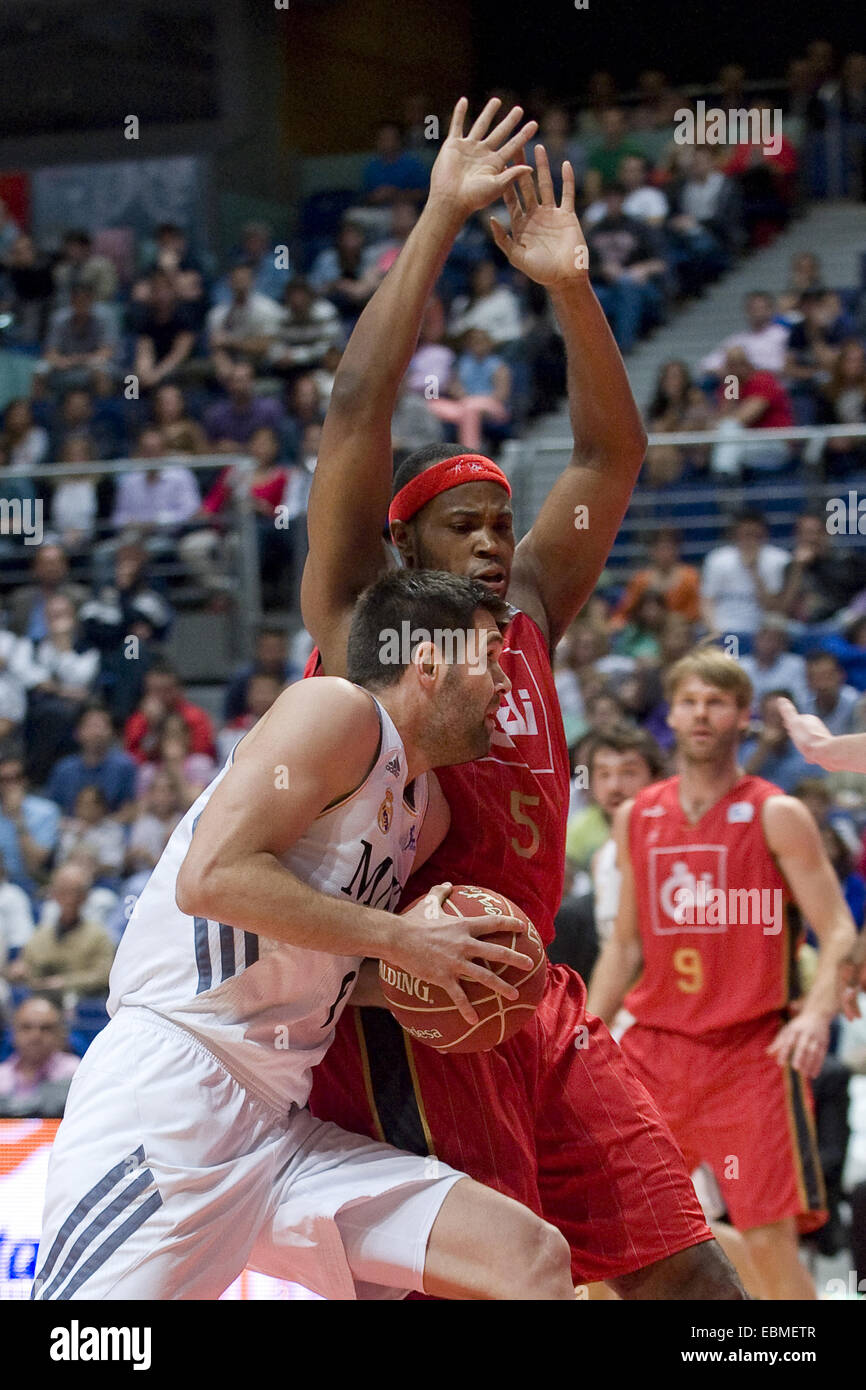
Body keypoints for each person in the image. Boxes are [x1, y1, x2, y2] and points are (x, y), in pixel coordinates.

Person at [300, 98, 741, 1299]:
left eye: (504, 522)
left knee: (691, 1276)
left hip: (533, 998)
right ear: (404, 544)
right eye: (465, 525)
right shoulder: (360, 616)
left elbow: (608, 458)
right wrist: (439, 218)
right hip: (419, 1001)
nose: (496, 543)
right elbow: (355, 410)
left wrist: (570, 289)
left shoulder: (531, 612)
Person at [32, 569, 576, 1302]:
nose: (505, 684)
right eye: (487, 658)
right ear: (427, 664)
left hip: (280, 1126)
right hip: (174, 1091)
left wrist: (452, 977)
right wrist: (402, 940)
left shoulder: (425, 811)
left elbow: (326, 947)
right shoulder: (335, 712)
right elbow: (213, 878)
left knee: (528, 1257)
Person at [587, 650, 857, 1300]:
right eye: (690, 700)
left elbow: (840, 929)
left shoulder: (776, 813)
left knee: (767, 1242)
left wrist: (818, 1011)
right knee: (615, 1234)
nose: (701, 713)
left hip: (750, 1055)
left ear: (742, 717)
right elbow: (624, 946)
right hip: (655, 1050)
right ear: (671, 714)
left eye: (717, 702)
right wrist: (587, 1034)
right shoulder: (638, 817)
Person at [6, 861, 115, 1007]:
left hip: (82, 1004)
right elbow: (27, 969)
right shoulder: (40, 936)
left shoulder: (99, 936)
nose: (69, 898)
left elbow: (103, 975)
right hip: (41, 1001)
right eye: (63, 891)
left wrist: (65, 982)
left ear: (86, 896)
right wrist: (20, 971)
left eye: (75, 892)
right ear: (54, 894)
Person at [0, 998, 79, 1119]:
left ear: (60, 1033)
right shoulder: (2, 1075)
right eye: (27, 1027)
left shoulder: (75, 1073)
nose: (35, 1036)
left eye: (46, 1028)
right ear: (14, 1033)